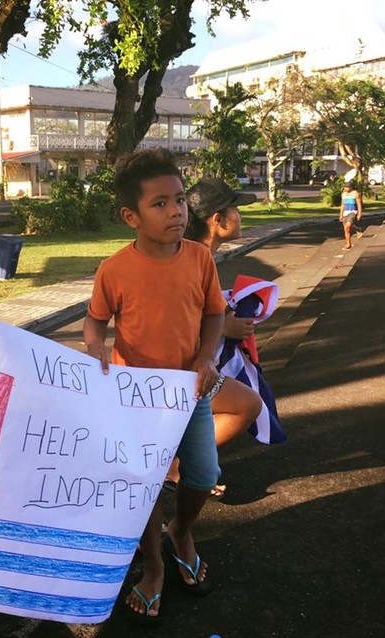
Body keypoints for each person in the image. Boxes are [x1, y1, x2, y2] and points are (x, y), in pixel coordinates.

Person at [83, 148, 225, 623]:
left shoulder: (201, 258)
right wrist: (95, 348)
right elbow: (94, 321)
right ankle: (155, 565)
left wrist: (207, 357)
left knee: (203, 474)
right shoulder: (114, 269)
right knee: (143, 487)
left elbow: (214, 314)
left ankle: (181, 530)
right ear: (132, 216)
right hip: (135, 400)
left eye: (181, 200)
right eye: (161, 203)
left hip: (191, 393)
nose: (177, 211)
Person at [163, 177, 263, 497]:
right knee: (247, 405)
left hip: (189, 365)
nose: (240, 216)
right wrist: (225, 328)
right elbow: (172, 319)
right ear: (217, 220)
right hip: (178, 370)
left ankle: (185, 467)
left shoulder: (197, 255)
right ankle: (177, 469)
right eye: (235, 210)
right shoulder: (191, 259)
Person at [339, 181, 364, 249]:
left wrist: (359, 214)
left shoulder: (355, 193)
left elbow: (359, 204)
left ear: (351, 187)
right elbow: (343, 205)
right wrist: (341, 214)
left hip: (353, 212)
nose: (345, 188)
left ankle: (358, 230)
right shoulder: (343, 194)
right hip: (345, 212)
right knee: (346, 229)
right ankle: (348, 244)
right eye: (345, 187)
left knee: (348, 225)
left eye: (347, 187)